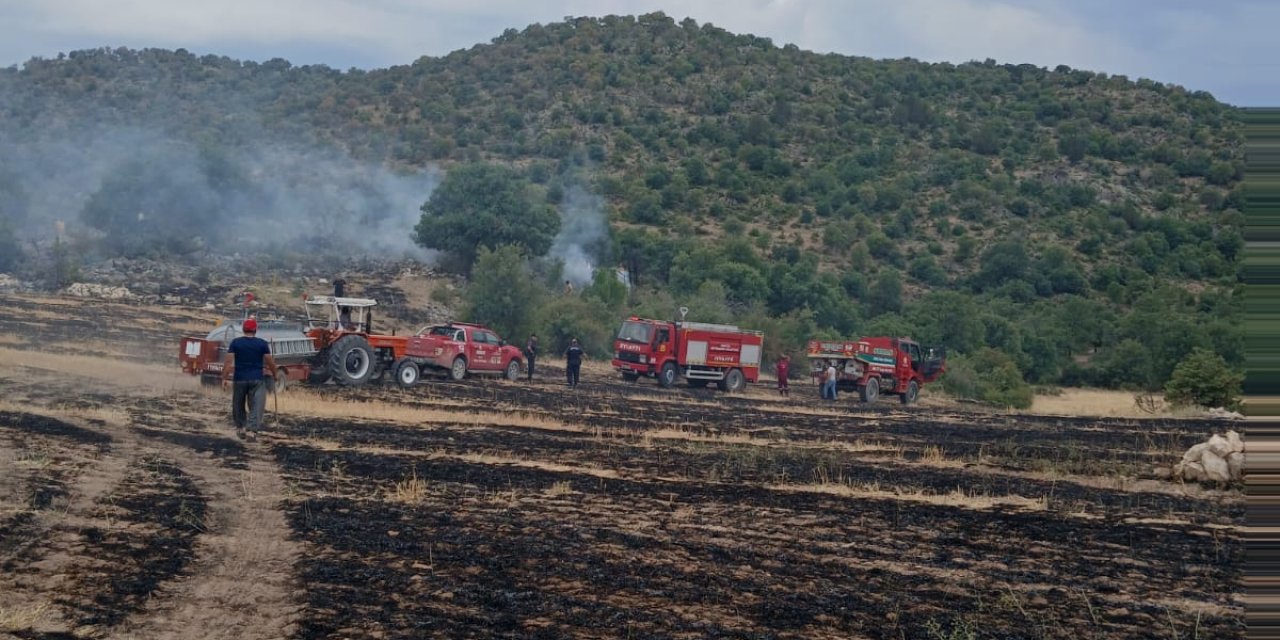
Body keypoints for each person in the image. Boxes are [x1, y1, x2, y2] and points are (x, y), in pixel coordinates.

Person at [221, 318, 276, 440]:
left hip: (239, 378)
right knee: (257, 405)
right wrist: (275, 374)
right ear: (255, 330)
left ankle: (241, 428)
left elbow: (228, 362)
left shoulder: (235, 343)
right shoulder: (262, 343)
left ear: (243, 329)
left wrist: (224, 378)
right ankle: (252, 431)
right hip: (257, 380)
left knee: (238, 403)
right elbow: (270, 362)